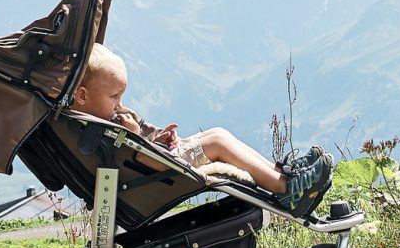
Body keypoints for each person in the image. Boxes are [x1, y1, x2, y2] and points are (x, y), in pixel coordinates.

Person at [70, 44, 331, 211]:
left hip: (158, 161)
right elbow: (139, 160)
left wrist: (158, 140)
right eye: (114, 97)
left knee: (218, 133)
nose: (120, 104)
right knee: (217, 143)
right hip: (158, 173)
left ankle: (281, 175)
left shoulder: (95, 119)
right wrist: (136, 136)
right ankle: (286, 190)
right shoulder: (98, 128)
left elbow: (139, 154)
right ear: (82, 96)